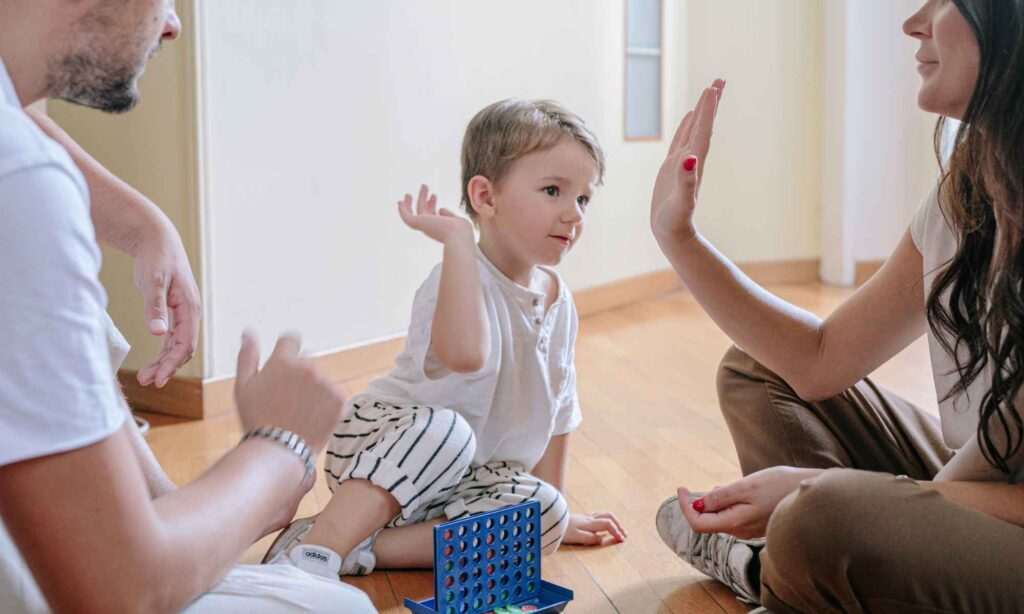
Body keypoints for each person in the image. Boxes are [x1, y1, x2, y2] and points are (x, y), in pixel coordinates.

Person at [0, 1, 374, 611]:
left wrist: (142, 224)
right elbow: (120, 593)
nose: (172, 24)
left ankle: (163, 512)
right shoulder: (18, 182)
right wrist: (281, 447)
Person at [651, 0, 1024, 611]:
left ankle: (781, 567)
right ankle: (794, 567)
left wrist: (819, 487)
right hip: (981, 479)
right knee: (759, 370)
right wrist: (678, 237)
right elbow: (820, 359)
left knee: (822, 515)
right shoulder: (972, 180)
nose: (914, 23)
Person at [262, 99, 627, 578]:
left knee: (545, 519)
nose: (574, 214)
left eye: (583, 198)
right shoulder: (455, 277)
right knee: (450, 433)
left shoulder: (559, 301)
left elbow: (560, 409)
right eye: (554, 191)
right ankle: (324, 544)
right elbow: (466, 354)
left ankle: (362, 548)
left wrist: (556, 509)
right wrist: (457, 241)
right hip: (391, 452)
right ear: (485, 197)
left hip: (467, 482)